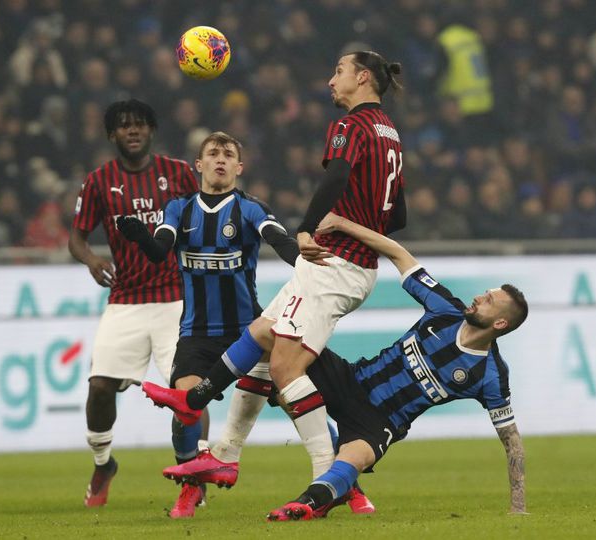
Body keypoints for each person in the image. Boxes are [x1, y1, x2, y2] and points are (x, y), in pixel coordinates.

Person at [142, 50, 406, 485]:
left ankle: (332, 477)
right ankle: (216, 439)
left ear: (362, 78)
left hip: (334, 261)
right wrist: (363, 227)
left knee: (286, 371)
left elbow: (337, 176)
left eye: (337, 71)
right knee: (262, 334)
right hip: (352, 262)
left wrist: (307, 230)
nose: (330, 80)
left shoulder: (350, 125)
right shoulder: (390, 133)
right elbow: (397, 217)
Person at [262, 212, 528, 520]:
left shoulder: (491, 374)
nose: (479, 297)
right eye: (485, 293)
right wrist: (342, 223)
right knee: (278, 346)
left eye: (489, 300)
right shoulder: (444, 309)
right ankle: (229, 448)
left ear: (500, 322)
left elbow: (512, 442)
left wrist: (518, 507)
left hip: (381, 422)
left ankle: (306, 505)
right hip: (353, 380)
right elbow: (397, 253)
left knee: (354, 459)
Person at [116, 131, 300, 518]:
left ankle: (345, 480)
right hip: (197, 334)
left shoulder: (250, 209)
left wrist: (306, 262)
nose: (220, 158)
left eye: (228, 154)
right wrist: (139, 237)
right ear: (198, 165)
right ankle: (191, 489)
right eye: (212, 153)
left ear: (238, 167)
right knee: (186, 408)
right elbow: (159, 253)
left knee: (297, 401)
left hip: (247, 332)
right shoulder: (179, 209)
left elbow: (280, 242)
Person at [68, 99, 198, 510]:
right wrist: (91, 260)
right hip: (125, 300)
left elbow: (205, 218)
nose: (133, 130)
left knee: (189, 391)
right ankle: (104, 464)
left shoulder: (178, 174)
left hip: (176, 298)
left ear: (151, 130)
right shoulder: (98, 181)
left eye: (140, 123)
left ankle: (194, 475)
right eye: (124, 126)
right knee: (100, 388)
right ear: (112, 135)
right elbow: (77, 237)